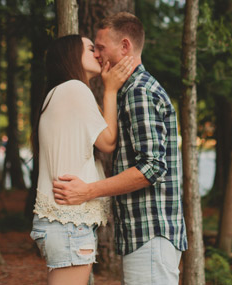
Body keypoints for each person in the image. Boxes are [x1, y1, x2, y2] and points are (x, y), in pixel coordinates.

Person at [52, 13, 188, 285]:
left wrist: (88, 191)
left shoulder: (139, 91)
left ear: (125, 46)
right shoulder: (129, 91)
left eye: (101, 47)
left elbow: (152, 167)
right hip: (145, 234)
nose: (98, 54)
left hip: (151, 232)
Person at [30, 34, 135, 285]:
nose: (98, 54)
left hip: (66, 221)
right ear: (71, 56)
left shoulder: (63, 93)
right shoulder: (74, 89)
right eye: (91, 49)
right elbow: (108, 142)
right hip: (69, 221)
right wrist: (110, 90)